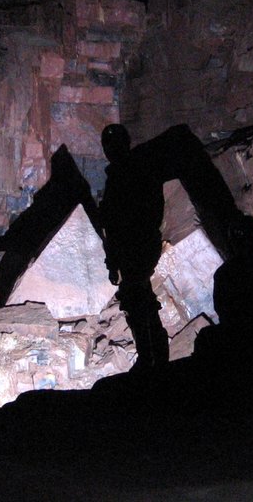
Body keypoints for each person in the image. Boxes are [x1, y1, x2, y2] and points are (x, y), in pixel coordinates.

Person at [99, 124, 169, 371]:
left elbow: (120, 219)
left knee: (137, 300)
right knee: (140, 297)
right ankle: (154, 357)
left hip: (136, 246)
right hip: (137, 247)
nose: (110, 151)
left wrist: (121, 254)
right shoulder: (130, 171)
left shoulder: (129, 172)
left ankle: (150, 359)